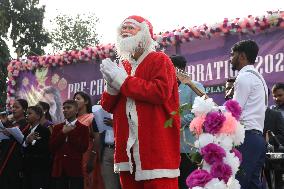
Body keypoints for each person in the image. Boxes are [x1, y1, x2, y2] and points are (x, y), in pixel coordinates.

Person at [100, 15, 180, 188]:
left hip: (155, 149)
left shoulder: (160, 59)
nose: (125, 32)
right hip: (126, 152)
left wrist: (123, 81)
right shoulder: (123, 66)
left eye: (131, 28)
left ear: (144, 33)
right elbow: (107, 106)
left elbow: (160, 92)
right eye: (123, 29)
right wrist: (112, 85)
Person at [230, 40, 268, 189]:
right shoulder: (259, 78)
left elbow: (234, 111)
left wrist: (211, 110)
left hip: (246, 138)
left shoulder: (244, 77)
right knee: (253, 185)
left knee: (238, 184)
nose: (230, 58)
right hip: (257, 139)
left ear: (242, 56)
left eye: (233, 55)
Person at [170, 54, 205, 189]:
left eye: (170, 68)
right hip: (170, 149)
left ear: (180, 69)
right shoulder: (166, 88)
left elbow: (200, 114)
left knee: (188, 184)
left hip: (189, 148)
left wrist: (175, 121)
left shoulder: (195, 86)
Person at [49, 100, 89, 189]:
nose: (65, 110)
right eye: (64, 108)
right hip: (59, 169)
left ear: (76, 111)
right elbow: (52, 147)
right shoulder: (57, 127)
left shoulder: (83, 128)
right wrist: (62, 133)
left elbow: (83, 148)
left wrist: (70, 132)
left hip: (75, 169)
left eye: (68, 108)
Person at [73, 91, 103, 189]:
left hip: (87, 157)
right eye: (74, 99)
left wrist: (92, 159)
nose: (75, 101)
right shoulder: (72, 120)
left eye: (78, 98)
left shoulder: (91, 117)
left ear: (86, 101)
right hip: (73, 159)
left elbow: (97, 138)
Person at [0, 99, 29, 189]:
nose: (14, 109)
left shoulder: (26, 124)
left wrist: (10, 132)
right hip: (4, 156)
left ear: (24, 109)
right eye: (13, 107)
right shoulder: (11, 123)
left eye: (17, 107)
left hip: (16, 160)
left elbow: (24, 141)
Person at [22, 106, 51, 189]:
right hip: (27, 168)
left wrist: (33, 141)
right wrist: (26, 142)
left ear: (38, 116)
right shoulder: (27, 130)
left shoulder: (44, 130)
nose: (27, 115)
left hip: (39, 169)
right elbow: (23, 148)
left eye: (30, 113)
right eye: (26, 113)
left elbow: (45, 149)